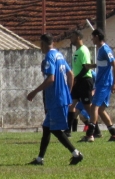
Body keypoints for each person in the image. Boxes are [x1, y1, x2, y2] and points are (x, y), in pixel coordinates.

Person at [27, 34, 83, 165]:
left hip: (56, 98)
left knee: (55, 130)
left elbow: (50, 79)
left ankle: (76, 154)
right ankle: (40, 159)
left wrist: (34, 92)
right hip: (60, 97)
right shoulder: (59, 55)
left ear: (43, 44)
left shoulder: (49, 57)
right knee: (47, 128)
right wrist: (67, 93)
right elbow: (70, 74)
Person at [81, 29, 115, 142]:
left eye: (92, 37)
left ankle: (89, 135)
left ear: (97, 37)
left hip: (104, 84)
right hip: (102, 83)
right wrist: (91, 66)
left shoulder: (105, 49)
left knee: (94, 107)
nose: (91, 39)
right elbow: (104, 65)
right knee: (101, 110)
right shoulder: (100, 50)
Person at [68, 30, 95, 133]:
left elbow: (86, 67)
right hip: (78, 81)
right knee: (71, 103)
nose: (71, 38)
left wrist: (77, 78)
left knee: (87, 107)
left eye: (73, 36)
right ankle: (67, 130)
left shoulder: (83, 50)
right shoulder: (77, 51)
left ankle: (96, 130)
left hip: (84, 80)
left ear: (78, 37)